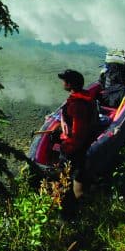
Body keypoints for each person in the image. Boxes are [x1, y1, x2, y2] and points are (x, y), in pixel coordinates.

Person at [53, 69, 97, 203]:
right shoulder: (84, 96)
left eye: (64, 81)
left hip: (74, 148)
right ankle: (78, 200)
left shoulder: (77, 105)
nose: (62, 83)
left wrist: (66, 148)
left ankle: (67, 204)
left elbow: (78, 134)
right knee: (79, 174)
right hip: (85, 144)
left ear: (70, 84)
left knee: (66, 176)